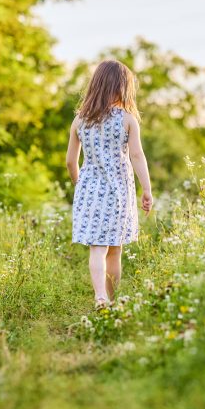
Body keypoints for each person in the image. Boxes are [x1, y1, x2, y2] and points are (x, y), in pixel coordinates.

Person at [66, 59, 153, 308]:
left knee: (97, 248)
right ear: (122, 88)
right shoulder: (127, 119)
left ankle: (99, 297)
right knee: (115, 249)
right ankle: (110, 300)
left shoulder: (80, 120)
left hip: (89, 190)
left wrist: (79, 184)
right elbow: (136, 155)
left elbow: (71, 161)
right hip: (118, 194)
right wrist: (146, 189)